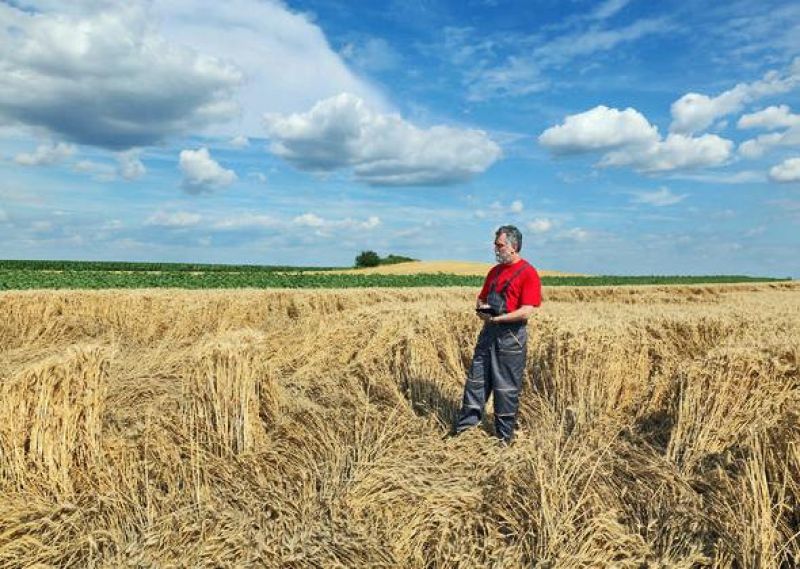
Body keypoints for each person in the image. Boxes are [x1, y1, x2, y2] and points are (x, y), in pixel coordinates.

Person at [453, 225, 542, 444]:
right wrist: (482, 308)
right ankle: (465, 434)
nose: (496, 248)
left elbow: (527, 310)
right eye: (496, 243)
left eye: (499, 244)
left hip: (510, 338)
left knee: (505, 388)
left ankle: (503, 439)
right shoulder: (494, 272)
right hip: (488, 333)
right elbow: (481, 297)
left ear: (513, 247)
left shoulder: (528, 273)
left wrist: (499, 319)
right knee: (476, 381)